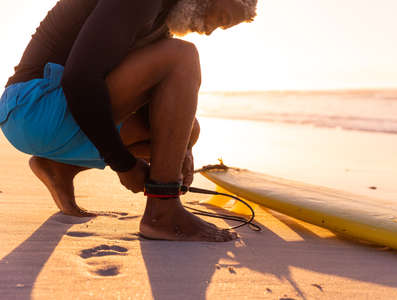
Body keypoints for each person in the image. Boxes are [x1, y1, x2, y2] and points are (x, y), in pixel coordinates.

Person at [0, 0, 257, 242]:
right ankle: (163, 212)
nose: (210, 31)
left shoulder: (157, 17)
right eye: (220, 18)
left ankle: (59, 168)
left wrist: (181, 152)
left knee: (189, 131)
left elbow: (153, 105)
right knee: (183, 56)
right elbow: (79, 80)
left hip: (31, 117)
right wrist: (123, 164)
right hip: (34, 104)